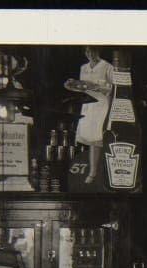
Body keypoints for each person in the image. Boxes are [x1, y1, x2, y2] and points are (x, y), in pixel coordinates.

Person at [65, 47, 114, 184]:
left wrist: (95, 86)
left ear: (99, 51)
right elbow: (82, 87)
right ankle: (93, 173)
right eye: (87, 52)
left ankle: (106, 172)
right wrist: (73, 86)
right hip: (88, 105)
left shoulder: (107, 67)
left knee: (102, 138)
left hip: (102, 105)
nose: (90, 55)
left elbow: (113, 88)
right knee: (91, 141)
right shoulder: (83, 67)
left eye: (93, 51)